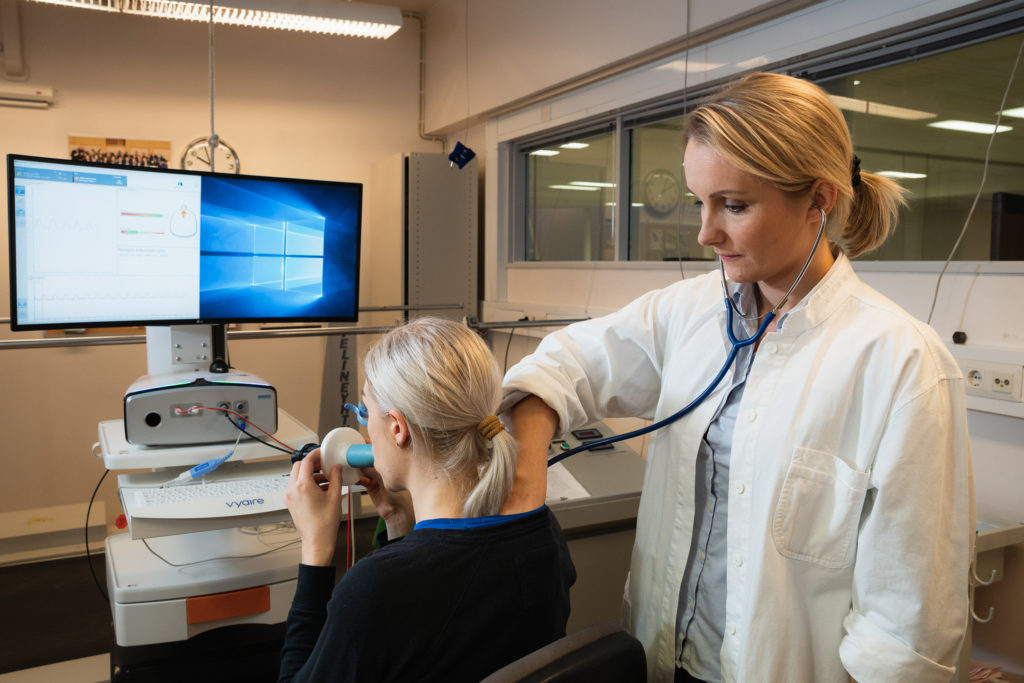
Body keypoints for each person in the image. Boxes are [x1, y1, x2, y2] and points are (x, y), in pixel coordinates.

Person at [501, 72, 973, 683]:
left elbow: (907, 632)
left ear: (819, 200)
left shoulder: (901, 363)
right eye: (702, 202)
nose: (705, 232)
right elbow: (561, 365)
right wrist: (523, 487)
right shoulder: (691, 311)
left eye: (735, 205)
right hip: (664, 658)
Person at [279, 317, 577, 682]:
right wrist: (398, 520)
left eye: (365, 411)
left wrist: (315, 550)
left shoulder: (373, 589)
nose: (364, 429)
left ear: (397, 428)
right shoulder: (543, 535)